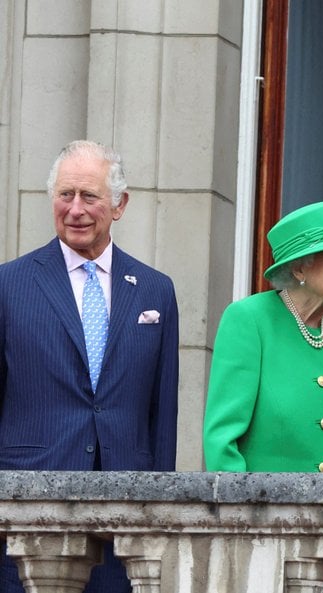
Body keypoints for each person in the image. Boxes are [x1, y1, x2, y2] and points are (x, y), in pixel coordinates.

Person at [0, 140, 180, 593]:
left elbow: (162, 413)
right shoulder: (9, 284)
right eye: (65, 195)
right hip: (26, 513)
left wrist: (157, 512)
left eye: (89, 196)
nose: (75, 209)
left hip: (124, 519)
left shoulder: (155, 291)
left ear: (119, 204)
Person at [203, 200, 323, 593]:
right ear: (299, 268)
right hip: (265, 535)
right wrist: (242, 525)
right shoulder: (249, 319)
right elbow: (221, 440)